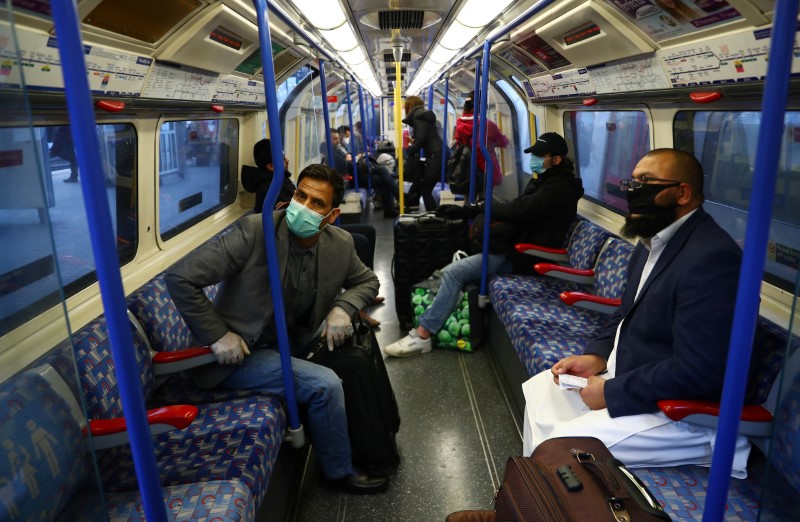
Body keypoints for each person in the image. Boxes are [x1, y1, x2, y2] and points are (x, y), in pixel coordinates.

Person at [522, 148, 751, 477]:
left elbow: (698, 370)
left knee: (558, 446)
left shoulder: (712, 259)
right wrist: (597, 357)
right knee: (542, 390)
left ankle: (535, 501)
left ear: (682, 193)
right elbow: (624, 316)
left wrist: (611, 392)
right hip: (631, 377)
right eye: (632, 181)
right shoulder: (650, 245)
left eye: (645, 182)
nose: (633, 191)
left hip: (680, 414)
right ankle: (531, 499)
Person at [165, 164, 388, 494]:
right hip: (240, 353)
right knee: (325, 385)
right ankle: (338, 471)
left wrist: (343, 308)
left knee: (356, 345)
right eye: (301, 195)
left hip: (292, 337)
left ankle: (377, 436)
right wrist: (217, 335)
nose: (304, 207)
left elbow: (368, 280)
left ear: (333, 215)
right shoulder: (256, 231)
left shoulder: (339, 243)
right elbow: (180, 277)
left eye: (317, 203)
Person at [384, 132, 584, 357]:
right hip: (514, 247)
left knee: (454, 274)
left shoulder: (558, 189)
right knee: (454, 265)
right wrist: (468, 209)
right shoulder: (543, 181)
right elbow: (517, 206)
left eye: (540, 155)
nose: (534, 159)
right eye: (533, 154)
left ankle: (422, 336)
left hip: (526, 256)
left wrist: (484, 205)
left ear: (556, 160)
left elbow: (518, 211)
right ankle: (431, 326)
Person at [452, 92, 509, 191]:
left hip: (465, 169)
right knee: (484, 200)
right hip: (484, 169)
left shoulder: (458, 125)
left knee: (469, 198)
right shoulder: (487, 125)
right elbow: (502, 142)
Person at [402, 96, 443, 212]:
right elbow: (425, 137)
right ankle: (413, 204)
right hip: (437, 152)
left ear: (410, 106)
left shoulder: (417, 117)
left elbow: (421, 140)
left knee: (425, 188)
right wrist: (414, 142)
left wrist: (409, 151)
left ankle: (434, 218)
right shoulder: (422, 116)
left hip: (436, 155)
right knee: (422, 184)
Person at [241, 139, 295, 213]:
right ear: (271, 166)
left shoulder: (276, 180)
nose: (287, 160)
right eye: (283, 158)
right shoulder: (273, 189)